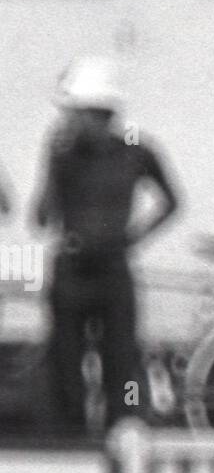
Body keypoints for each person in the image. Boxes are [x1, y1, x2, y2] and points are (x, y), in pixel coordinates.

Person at [31, 57, 180, 434]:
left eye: (83, 114)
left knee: (122, 364)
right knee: (66, 364)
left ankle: (124, 425)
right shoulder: (63, 154)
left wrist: (135, 237)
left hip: (113, 269)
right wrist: (52, 161)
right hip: (71, 271)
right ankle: (71, 437)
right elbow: (42, 218)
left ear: (105, 113)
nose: (76, 122)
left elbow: (172, 201)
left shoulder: (134, 148)